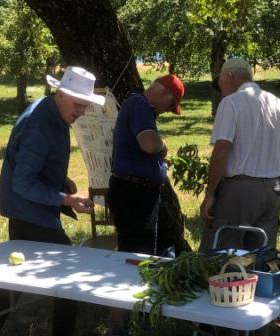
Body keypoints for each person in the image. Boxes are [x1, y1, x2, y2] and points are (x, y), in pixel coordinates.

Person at [0, 66, 105, 336]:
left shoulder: (52, 111)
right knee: (69, 277)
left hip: (31, 210)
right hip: (28, 212)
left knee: (15, 283)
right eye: (78, 103)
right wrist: (66, 198)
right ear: (60, 93)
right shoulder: (39, 124)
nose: (81, 111)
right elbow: (22, 183)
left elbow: (36, 166)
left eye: (85, 105)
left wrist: (61, 180)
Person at [106, 74, 184, 335]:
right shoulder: (140, 105)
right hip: (133, 194)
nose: (165, 111)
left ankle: (131, 320)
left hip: (139, 192)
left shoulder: (141, 107)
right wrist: (163, 146)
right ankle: (121, 324)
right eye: (169, 105)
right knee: (133, 261)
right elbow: (149, 143)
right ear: (164, 94)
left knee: (138, 257)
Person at [199, 58, 280, 251]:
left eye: (220, 83)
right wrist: (273, 176)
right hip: (272, 191)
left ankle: (223, 282)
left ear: (230, 76)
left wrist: (210, 193)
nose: (220, 90)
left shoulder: (231, 103)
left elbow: (221, 152)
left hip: (239, 190)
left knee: (224, 254)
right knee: (260, 254)